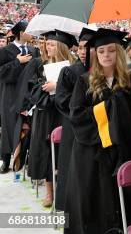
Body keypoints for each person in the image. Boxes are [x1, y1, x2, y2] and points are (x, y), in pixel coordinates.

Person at [64, 28, 131, 234]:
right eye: (102, 51)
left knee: (119, 198)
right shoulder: (85, 81)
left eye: (112, 51)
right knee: (91, 199)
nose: (106, 55)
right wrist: (110, 107)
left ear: (119, 53)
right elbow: (76, 117)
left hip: (121, 149)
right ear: (95, 54)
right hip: (91, 152)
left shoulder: (130, 81)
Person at [22, 29, 76, 207]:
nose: (48, 46)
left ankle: (64, 193)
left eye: (52, 44)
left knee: (62, 153)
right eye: (47, 43)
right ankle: (49, 193)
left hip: (63, 114)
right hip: (45, 114)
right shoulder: (39, 64)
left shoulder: (72, 66)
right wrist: (46, 87)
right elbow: (31, 90)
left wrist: (57, 85)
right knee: (46, 153)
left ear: (61, 46)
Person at [54, 27, 95, 211]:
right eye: (79, 48)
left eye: (87, 47)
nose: (83, 52)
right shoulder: (70, 71)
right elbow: (61, 100)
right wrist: (82, 108)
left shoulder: (103, 73)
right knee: (70, 169)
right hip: (73, 128)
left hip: (96, 131)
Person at [0, 21, 36, 173]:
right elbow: (1, 72)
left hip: (27, 95)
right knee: (9, 127)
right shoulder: (6, 51)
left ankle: (23, 158)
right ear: (21, 33)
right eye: (30, 31)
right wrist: (17, 62)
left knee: (26, 126)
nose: (32, 34)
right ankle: (6, 160)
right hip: (10, 93)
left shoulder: (34, 50)